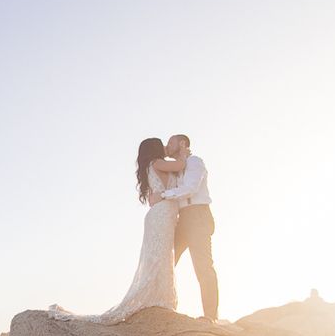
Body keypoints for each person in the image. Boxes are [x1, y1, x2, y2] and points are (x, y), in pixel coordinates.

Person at [48, 137, 185, 325]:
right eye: (161, 144)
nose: (164, 147)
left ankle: (159, 299)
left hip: (163, 214)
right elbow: (180, 166)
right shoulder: (158, 163)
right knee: (159, 257)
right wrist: (183, 151)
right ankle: (158, 299)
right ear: (154, 149)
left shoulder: (153, 165)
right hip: (162, 215)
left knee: (160, 257)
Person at [150, 134, 219, 322]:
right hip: (182, 219)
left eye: (170, 142)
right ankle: (156, 304)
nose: (167, 145)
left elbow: (191, 188)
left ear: (182, 143)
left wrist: (163, 195)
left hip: (198, 215)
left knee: (203, 266)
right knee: (167, 261)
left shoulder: (195, 162)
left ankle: (210, 316)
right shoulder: (174, 167)